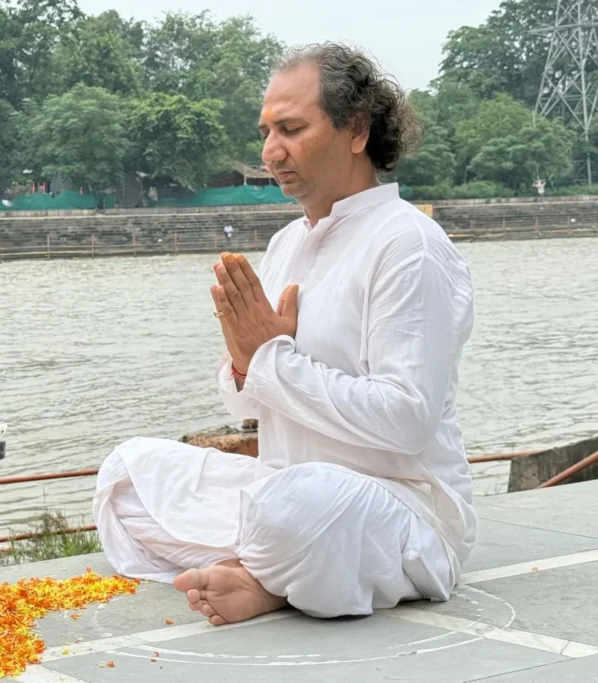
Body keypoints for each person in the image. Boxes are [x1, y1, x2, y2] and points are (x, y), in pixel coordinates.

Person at [92, 42, 477, 625]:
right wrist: (246, 364)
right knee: (128, 475)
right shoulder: (286, 245)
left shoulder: (408, 245)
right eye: (267, 132)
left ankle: (266, 574)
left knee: (300, 505)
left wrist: (271, 359)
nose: (272, 152)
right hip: (280, 494)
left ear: (356, 130)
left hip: (393, 507)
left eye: (292, 129)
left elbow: (407, 419)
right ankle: (275, 570)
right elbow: (251, 403)